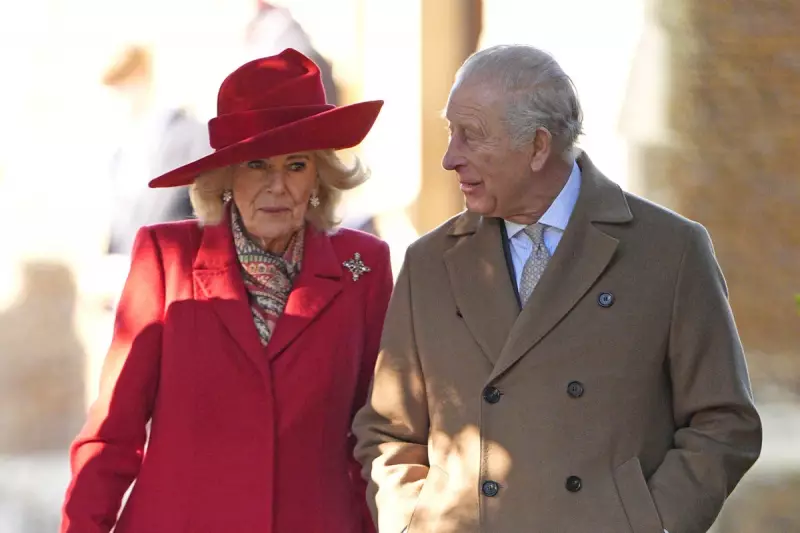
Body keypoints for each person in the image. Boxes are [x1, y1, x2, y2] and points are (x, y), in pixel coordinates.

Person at [352, 44, 762, 533]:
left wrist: (653, 523)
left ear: (538, 147)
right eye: (450, 132)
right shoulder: (429, 262)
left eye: (471, 136)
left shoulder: (669, 251)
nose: (449, 158)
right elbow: (388, 431)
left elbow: (723, 421)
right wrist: (410, 521)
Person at [61, 48, 391, 533]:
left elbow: (378, 432)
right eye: (257, 164)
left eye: (296, 165)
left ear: (319, 176)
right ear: (226, 175)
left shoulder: (363, 266)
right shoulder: (166, 257)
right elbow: (113, 432)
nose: (277, 186)